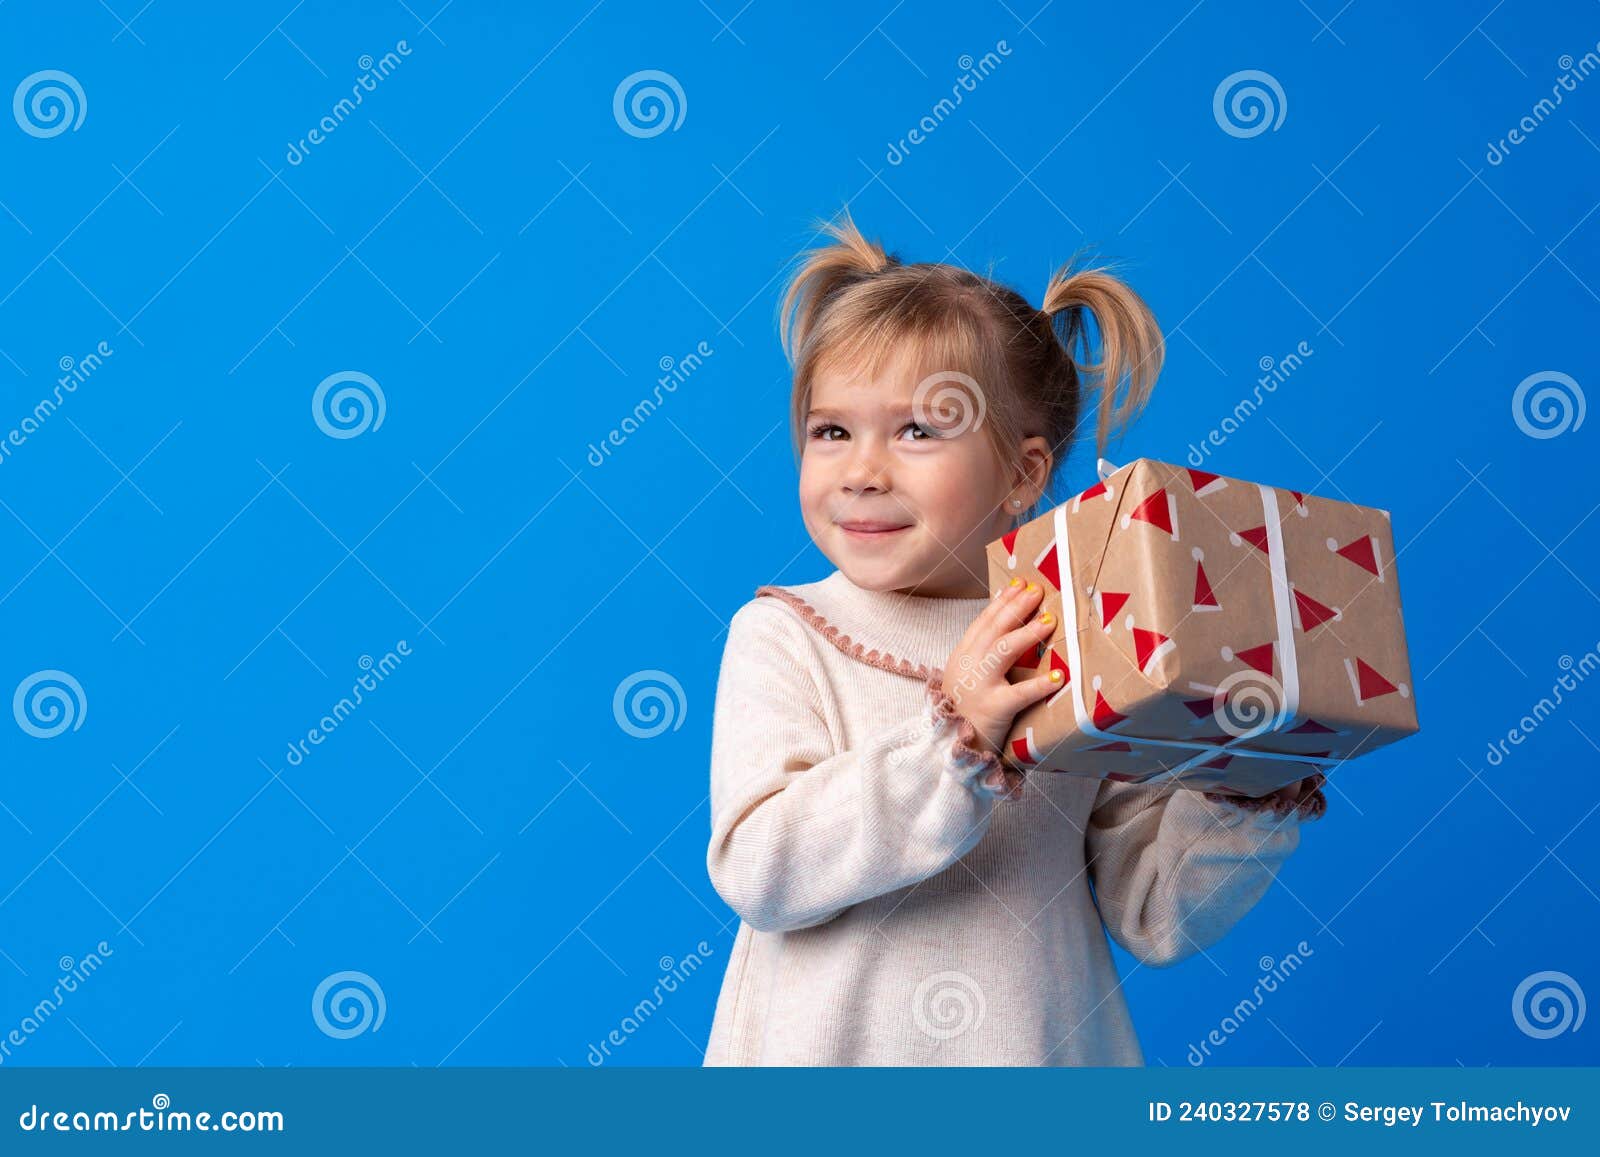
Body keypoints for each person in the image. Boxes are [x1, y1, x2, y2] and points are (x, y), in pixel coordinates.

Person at [702, 209, 1326, 1066]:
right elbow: (762, 870)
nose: (862, 469)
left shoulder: (1082, 637)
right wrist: (948, 738)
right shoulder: (785, 632)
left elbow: (1152, 909)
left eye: (919, 430)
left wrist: (1239, 786)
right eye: (831, 430)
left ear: (1024, 472)